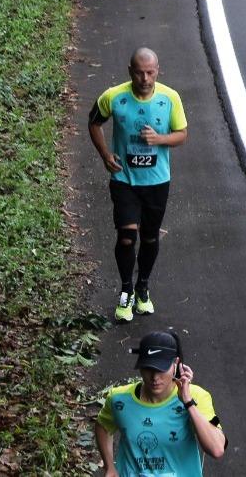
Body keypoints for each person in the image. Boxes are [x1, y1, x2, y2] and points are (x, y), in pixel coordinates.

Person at [88, 49, 188, 322]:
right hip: (124, 180)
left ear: (158, 70)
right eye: (139, 72)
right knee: (126, 235)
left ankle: (143, 285)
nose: (145, 78)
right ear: (129, 70)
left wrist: (160, 140)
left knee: (150, 236)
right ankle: (126, 290)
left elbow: (182, 135)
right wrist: (106, 155)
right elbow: (93, 122)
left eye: (150, 72)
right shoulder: (114, 97)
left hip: (157, 182)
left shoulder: (170, 98)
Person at [95, 330, 226, 475]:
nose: (154, 377)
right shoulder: (119, 399)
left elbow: (217, 449)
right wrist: (110, 466)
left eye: (161, 369)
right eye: (148, 369)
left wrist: (188, 403)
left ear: (175, 363)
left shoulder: (196, 396)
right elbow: (103, 426)